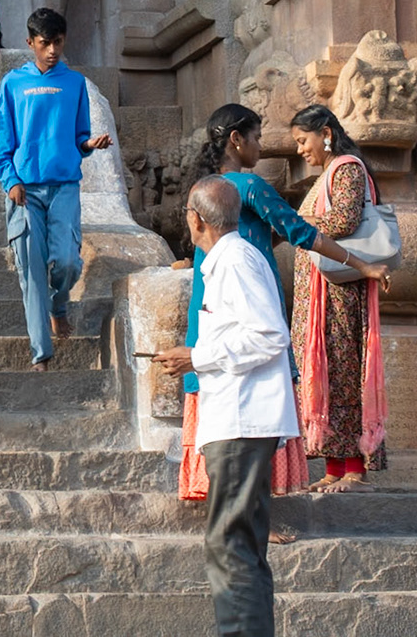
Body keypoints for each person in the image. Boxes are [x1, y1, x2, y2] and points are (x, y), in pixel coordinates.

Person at [176, 105, 390, 522]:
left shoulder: (202, 188)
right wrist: (362, 264)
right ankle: (258, 515)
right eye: (256, 137)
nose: (262, 146)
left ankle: (229, 504)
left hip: (209, 301)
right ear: (236, 140)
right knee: (255, 390)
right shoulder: (250, 187)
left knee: (220, 388)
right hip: (250, 299)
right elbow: (303, 233)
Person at [152, 177, 300, 637]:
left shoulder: (234, 260)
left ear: (195, 220)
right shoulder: (232, 259)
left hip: (242, 420)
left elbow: (270, 335)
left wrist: (197, 356)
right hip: (239, 418)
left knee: (230, 545)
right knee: (243, 546)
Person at [0, 7, 112, 370]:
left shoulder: (74, 83)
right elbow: (4, 146)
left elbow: (77, 138)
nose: (52, 50)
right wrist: (11, 182)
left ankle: (59, 306)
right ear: (30, 42)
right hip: (25, 192)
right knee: (30, 270)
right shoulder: (12, 84)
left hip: (63, 187)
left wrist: (89, 145)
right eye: (45, 43)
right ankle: (40, 352)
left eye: (58, 42)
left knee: (68, 262)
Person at [289, 104, 393, 490]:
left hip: (338, 297)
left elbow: (344, 221)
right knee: (328, 374)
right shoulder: (327, 174)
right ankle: (334, 467)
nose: (301, 150)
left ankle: (354, 468)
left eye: (303, 140)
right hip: (321, 296)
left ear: (326, 133)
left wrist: (295, 222)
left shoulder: (347, 167)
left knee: (343, 373)